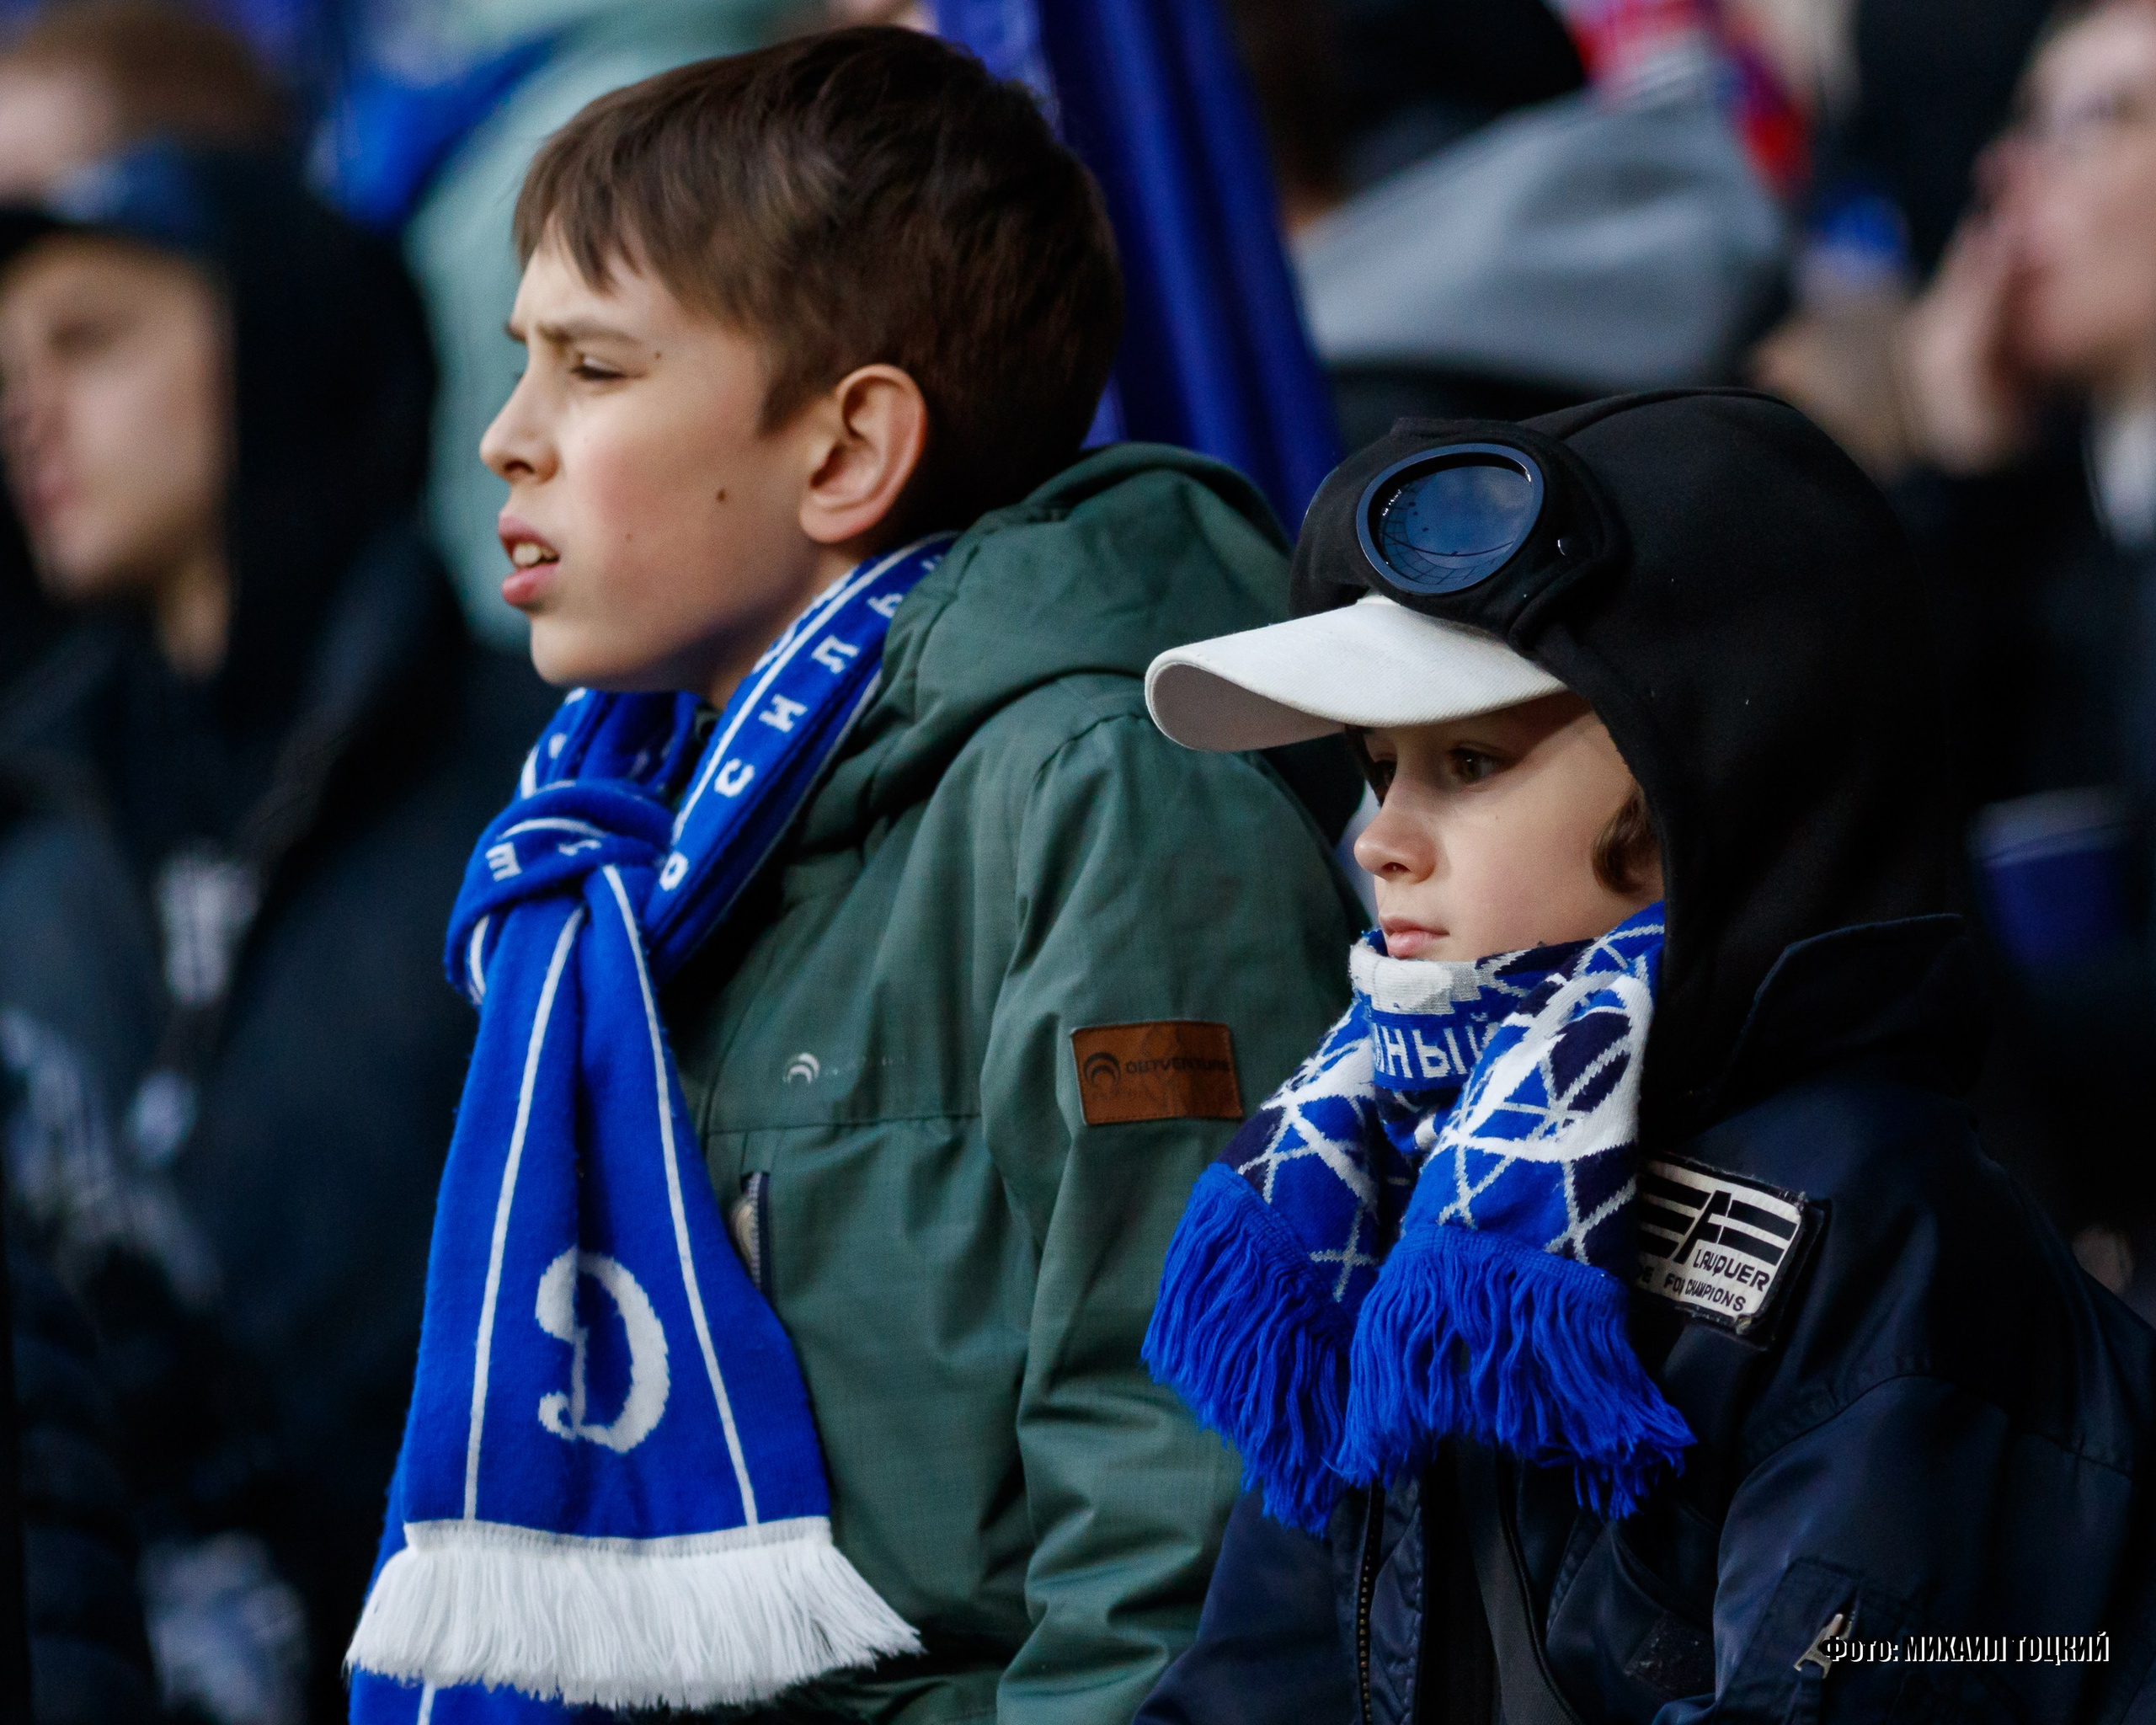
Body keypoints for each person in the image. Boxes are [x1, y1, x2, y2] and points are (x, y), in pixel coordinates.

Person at [342, 27, 1361, 1725]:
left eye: (590, 371)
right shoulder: (612, 846)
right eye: (520, 364)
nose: (506, 441)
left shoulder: (1098, 794)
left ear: (844, 453)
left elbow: (1185, 1509)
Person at [1129, 392, 2156, 1724]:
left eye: (1471, 761)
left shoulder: (1872, 1225)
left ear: (1698, 797)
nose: (1382, 837)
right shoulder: (1394, 1155)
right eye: (1380, 769)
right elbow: (1254, 1686)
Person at [0, 141, 552, 1722]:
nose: (26, 407)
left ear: (288, 337)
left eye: (92, 342)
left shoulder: (545, 776)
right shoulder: (34, 857)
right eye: (8, 371)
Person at [1889, 0, 2156, 1285]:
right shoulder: (2064, 525)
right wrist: (1966, 478)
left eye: (2088, 124)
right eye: (2019, 125)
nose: (2006, 176)